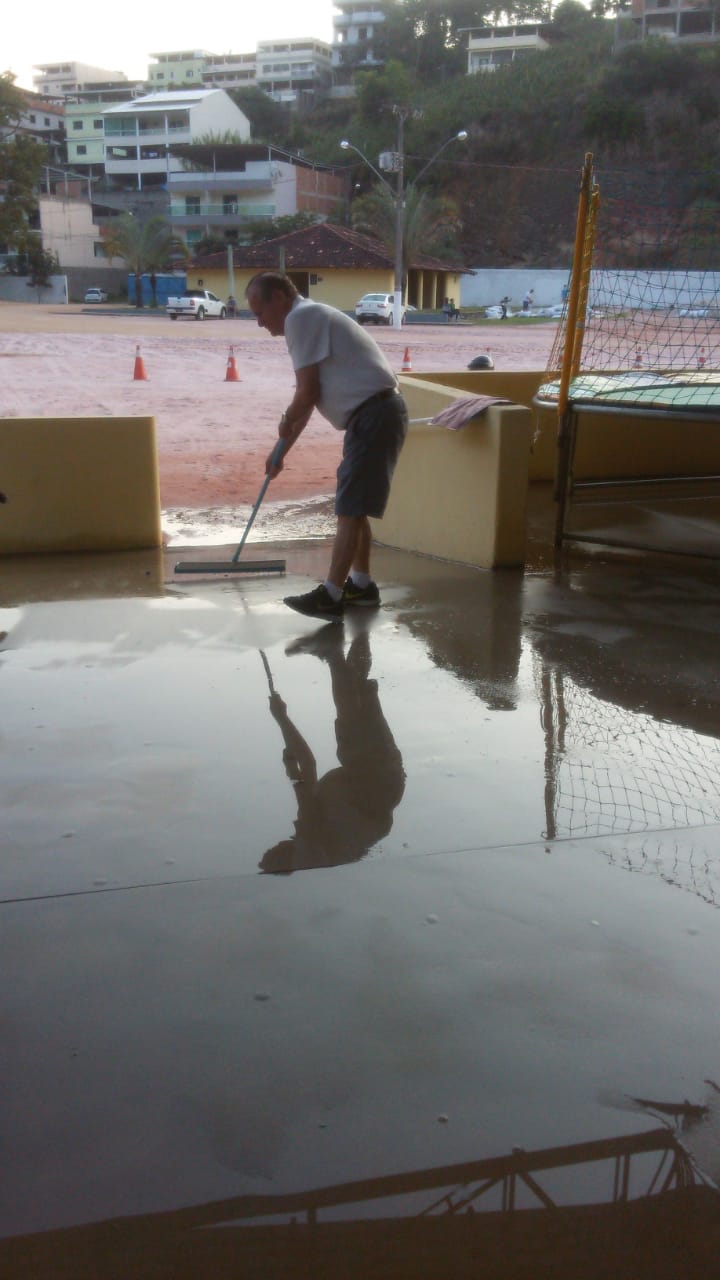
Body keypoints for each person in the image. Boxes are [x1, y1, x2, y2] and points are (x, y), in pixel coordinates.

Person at [245, 271, 409, 621]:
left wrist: (286, 420)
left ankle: (331, 595)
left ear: (280, 299)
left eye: (260, 312)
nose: (259, 323)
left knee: (349, 507)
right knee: (355, 505)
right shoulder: (307, 317)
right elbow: (309, 397)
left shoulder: (301, 318)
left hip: (375, 413)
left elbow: (305, 396)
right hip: (374, 414)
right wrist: (280, 454)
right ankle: (361, 586)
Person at [260, 627, 405, 873]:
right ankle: (333, 651)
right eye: (275, 850)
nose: (278, 843)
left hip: (382, 784)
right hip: (370, 788)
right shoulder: (309, 850)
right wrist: (281, 718)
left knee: (357, 690)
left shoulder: (316, 838)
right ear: (282, 856)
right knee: (349, 712)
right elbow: (308, 764)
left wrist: (293, 773)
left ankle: (360, 625)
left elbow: (304, 775)